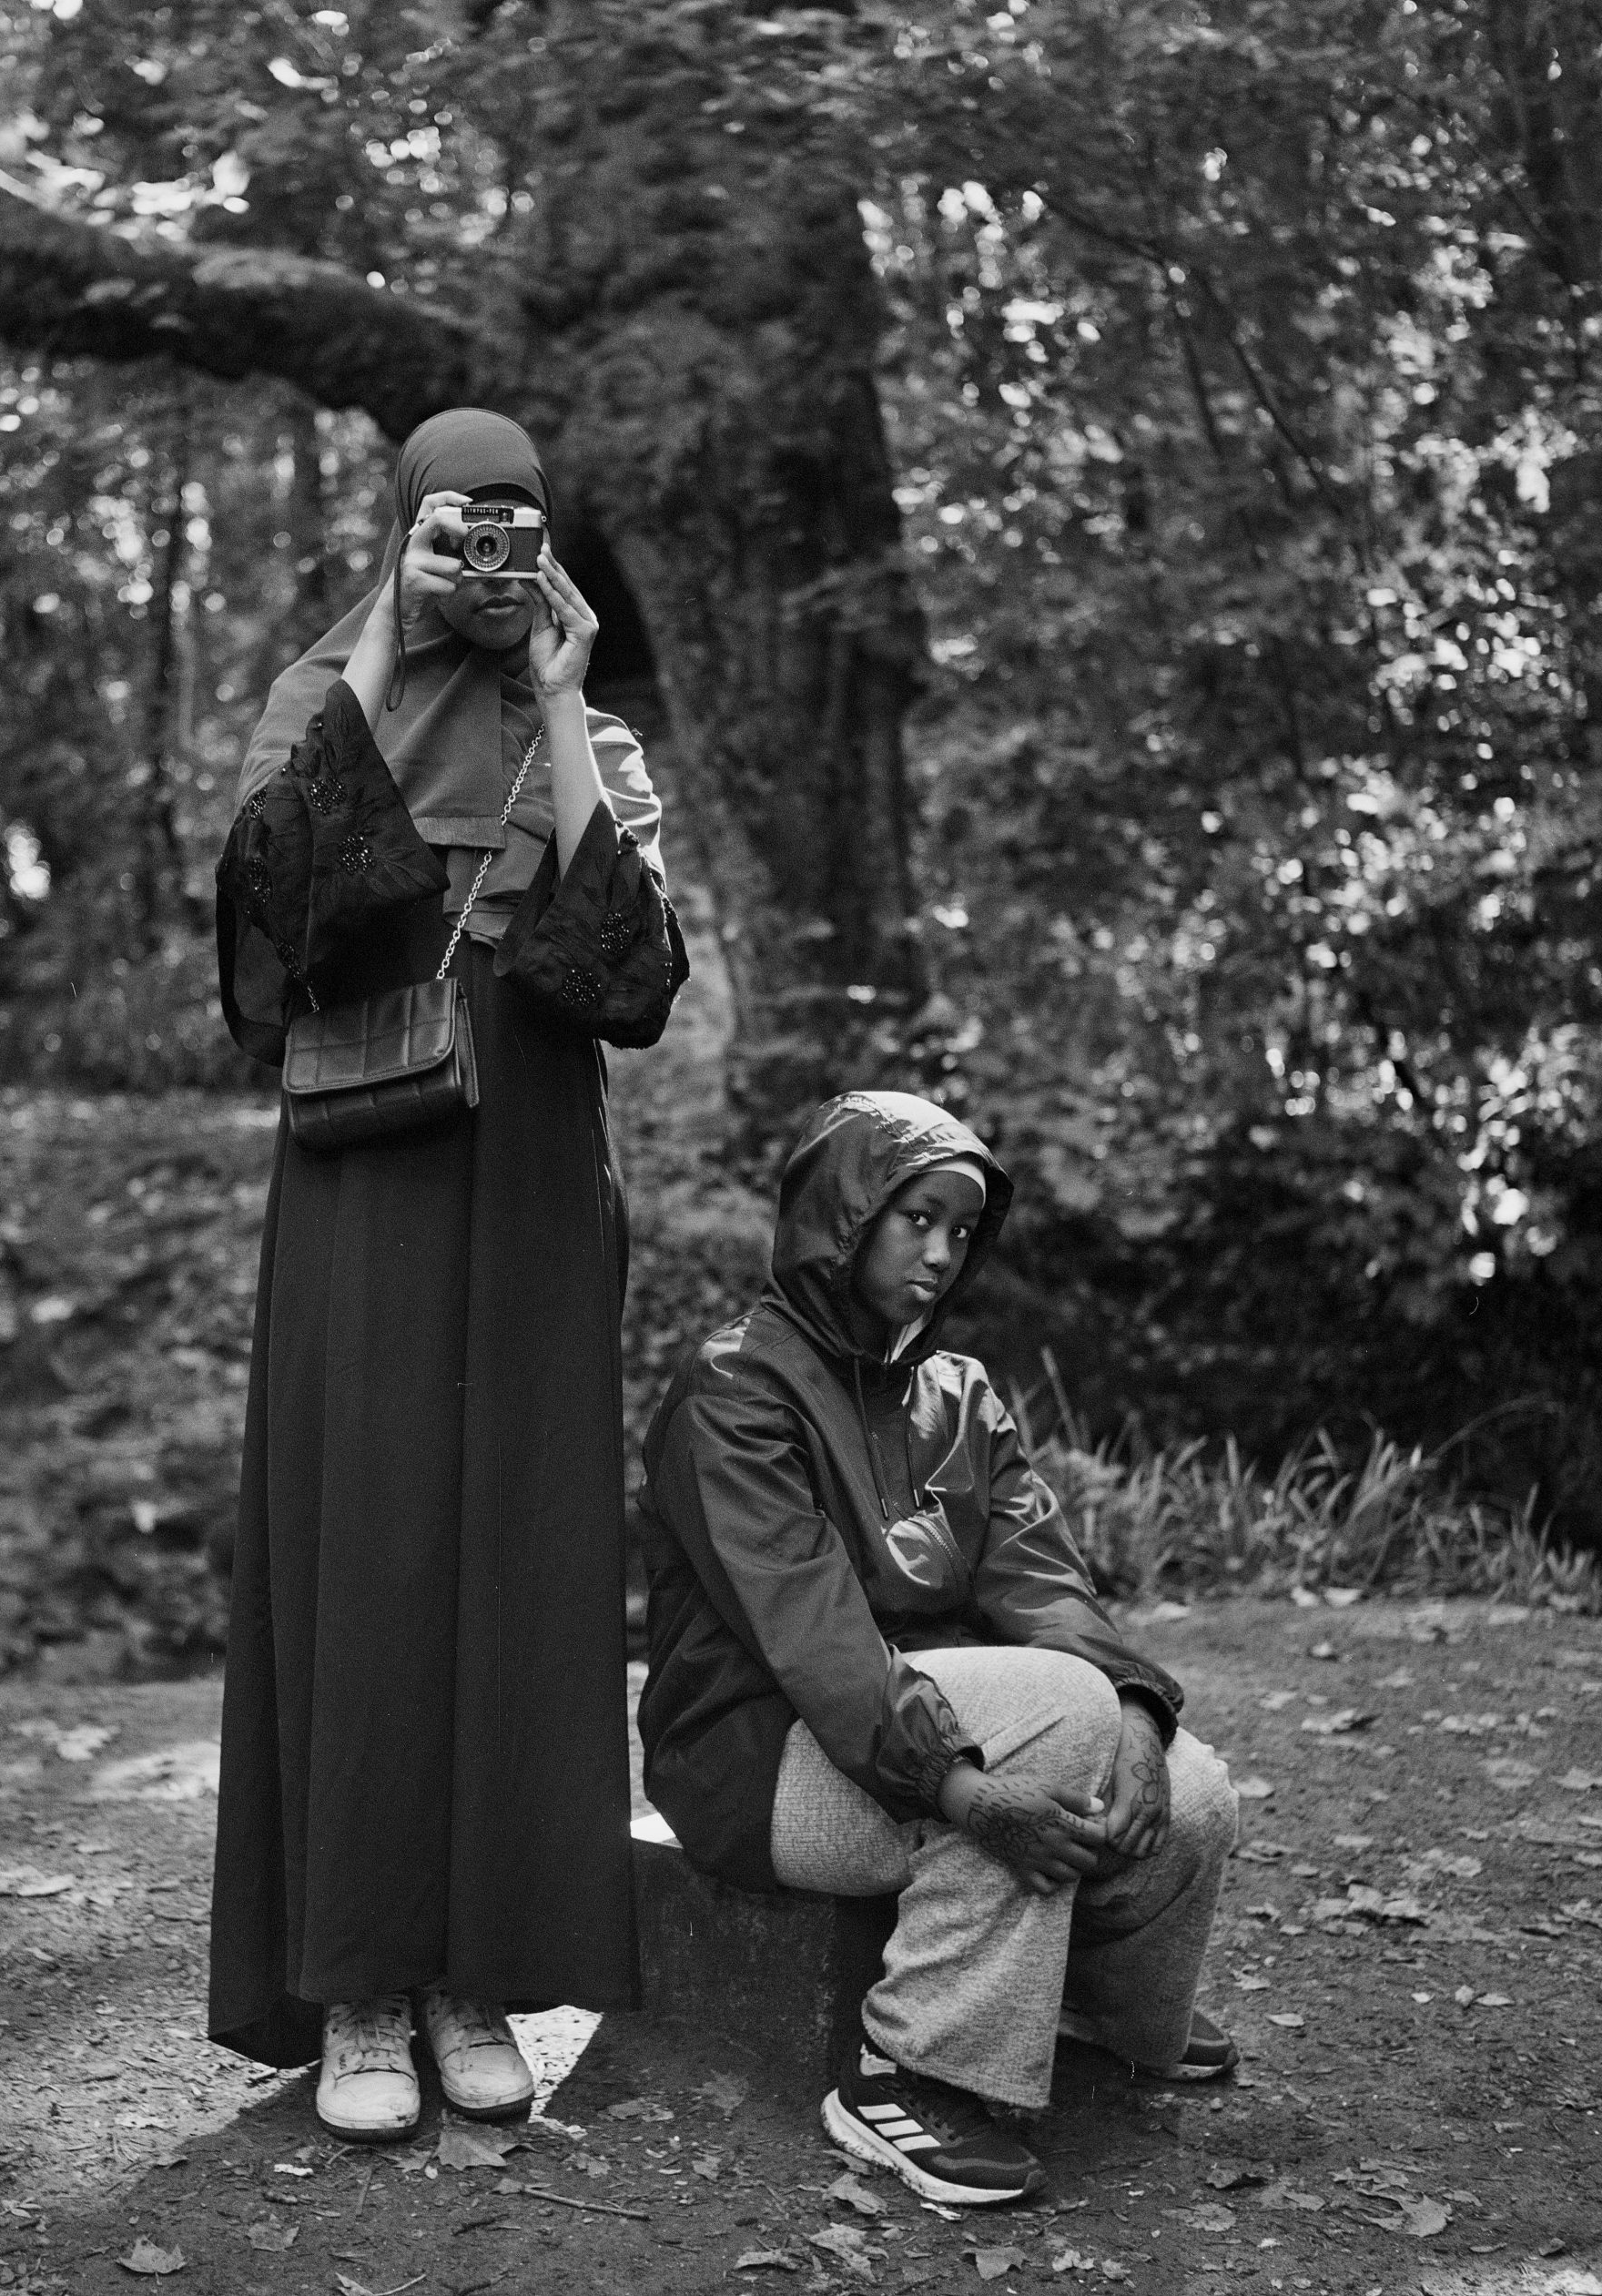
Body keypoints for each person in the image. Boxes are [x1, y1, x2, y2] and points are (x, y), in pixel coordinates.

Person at [207, 408, 688, 2143]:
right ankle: (358, 1985)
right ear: (405, 526)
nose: (492, 561)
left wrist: (559, 689)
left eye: (518, 530)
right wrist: (391, 641)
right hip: (368, 1162)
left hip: (540, 1157)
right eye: (457, 530)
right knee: (372, 1545)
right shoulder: (315, 693)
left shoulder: (585, 720)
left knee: (519, 1555)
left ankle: (480, 1972)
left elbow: (635, 959)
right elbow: (283, 908)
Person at [635, 1090, 1237, 2204]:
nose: (941, 1250)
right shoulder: (734, 1386)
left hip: (936, 1726)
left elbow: (1043, 1580)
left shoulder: (957, 1394)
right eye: (916, 1215)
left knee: (1195, 1789)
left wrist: (1145, 1716)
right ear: (843, 1215)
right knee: (1061, 1717)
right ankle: (902, 2069)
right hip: (758, 1747)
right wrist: (959, 1789)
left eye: (962, 1228)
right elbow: (809, 1632)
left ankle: (1094, 2005)